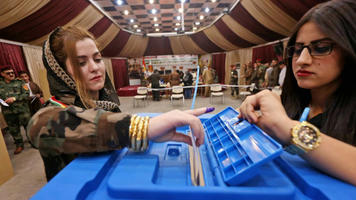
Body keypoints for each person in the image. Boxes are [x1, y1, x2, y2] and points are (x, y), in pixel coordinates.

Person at [27, 26, 213, 181]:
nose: (95, 67)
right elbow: (39, 127)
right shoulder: (53, 110)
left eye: (97, 59)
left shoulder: (105, 104)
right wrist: (143, 128)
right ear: (60, 71)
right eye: (81, 63)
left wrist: (145, 136)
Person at [238, 0, 356, 186]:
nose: (302, 60)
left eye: (321, 48)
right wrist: (260, 126)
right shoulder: (290, 106)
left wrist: (286, 128)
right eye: (298, 50)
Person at [0, 67, 31, 154]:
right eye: (8, 73)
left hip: (22, 110)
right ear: (2, 74)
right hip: (8, 112)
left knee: (28, 126)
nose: (11, 74)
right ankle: (19, 145)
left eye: (12, 73)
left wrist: (14, 98)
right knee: (13, 129)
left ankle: (33, 142)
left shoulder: (20, 82)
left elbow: (26, 94)